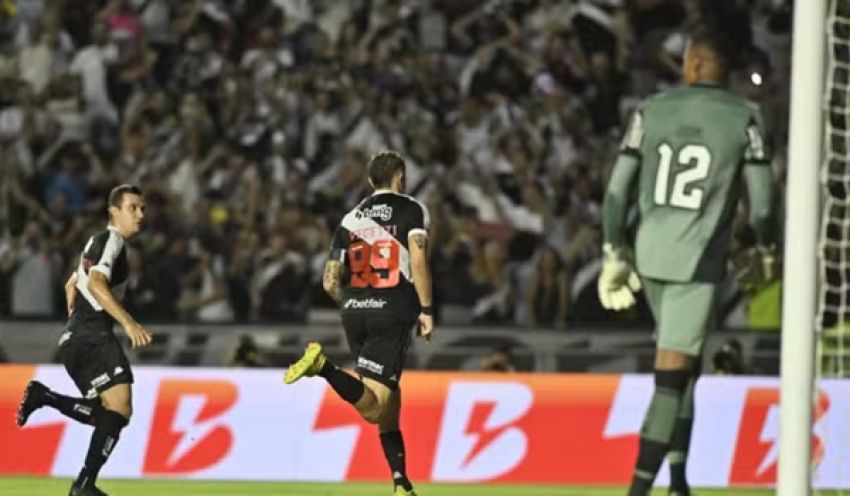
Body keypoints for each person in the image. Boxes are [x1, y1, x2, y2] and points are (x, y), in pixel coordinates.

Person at [597, 29, 776, 496]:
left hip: (649, 253)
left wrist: (614, 250)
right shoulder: (746, 117)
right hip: (696, 262)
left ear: (693, 63)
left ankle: (678, 483)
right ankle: (639, 491)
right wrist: (765, 248)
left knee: (687, 370)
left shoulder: (650, 109)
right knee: (672, 379)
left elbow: (616, 193)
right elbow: (763, 206)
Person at [284, 150, 433, 496]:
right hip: (391, 308)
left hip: (354, 309)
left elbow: (329, 281)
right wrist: (425, 309)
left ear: (370, 181)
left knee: (388, 403)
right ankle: (323, 368)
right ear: (400, 177)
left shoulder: (350, 219)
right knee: (375, 407)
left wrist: (354, 302)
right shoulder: (412, 208)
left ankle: (400, 483)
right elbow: (420, 260)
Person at [16, 184, 152, 496]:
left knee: (107, 413)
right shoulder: (112, 241)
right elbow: (96, 281)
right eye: (132, 207)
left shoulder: (99, 242)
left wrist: (72, 311)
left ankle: (45, 397)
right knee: (119, 409)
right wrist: (129, 324)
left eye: (142, 208)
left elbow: (73, 281)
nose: (140, 214)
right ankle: (84, 485)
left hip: (75, 336)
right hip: (91, 334)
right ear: (113, 211)